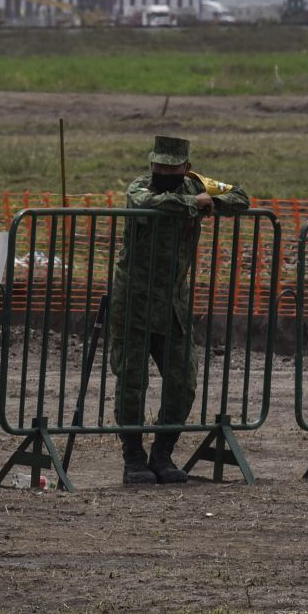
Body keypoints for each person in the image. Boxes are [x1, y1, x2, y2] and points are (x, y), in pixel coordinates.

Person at [109, 134, 251, 486]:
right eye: (159, 166)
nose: (163, 172)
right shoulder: (140, 187)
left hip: (172, 304)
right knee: (132, 381)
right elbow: (148, 203)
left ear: (186, 167)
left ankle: (162, 454)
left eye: (171, 168)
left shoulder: (199, 184)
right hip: (135, 302)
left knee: (183, 381)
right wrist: (196, 203)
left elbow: (241, 197)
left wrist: (207, 199)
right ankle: (133, 458)